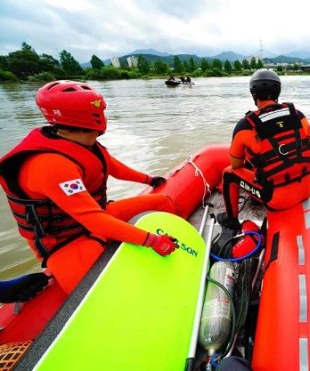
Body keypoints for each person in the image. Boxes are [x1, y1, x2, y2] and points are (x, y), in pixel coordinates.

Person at [0, 80, 179, 294]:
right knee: (105, 291)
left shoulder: (84, 144)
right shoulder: (51, 165)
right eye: (101, 109)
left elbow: (111, 166)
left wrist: (148, 180)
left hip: (98, 215)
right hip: (66, 242)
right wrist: (151, 240)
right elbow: (93, 219)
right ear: (93, 115)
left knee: (163, 202)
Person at [217, 69, 310, 229]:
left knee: (228, 174)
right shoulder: (298, 115)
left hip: (277, 199)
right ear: (278, 91)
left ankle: (231, 221)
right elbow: (305, 146)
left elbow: (236, 166)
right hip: (308, 187)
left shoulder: (245, 126)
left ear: (254, 94)